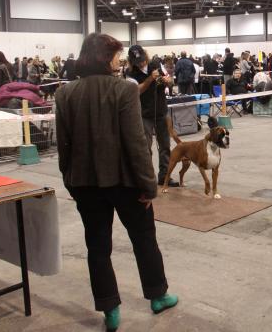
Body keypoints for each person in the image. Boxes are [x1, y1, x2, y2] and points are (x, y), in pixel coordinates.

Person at [55, 34, 178, 330]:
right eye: (116, 55)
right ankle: (158, 296)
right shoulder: (124, 89)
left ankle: (110, 310)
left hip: (85, 184)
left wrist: (69, 180)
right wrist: (148, 186)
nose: (119, 60)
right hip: (126, 183)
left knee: (97, 247)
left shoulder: (65, 94)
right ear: (105, 57)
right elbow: (136, 143)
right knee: (144, 239)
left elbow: (64, 145)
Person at [126, 45, 179, 189]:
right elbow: (136, 91)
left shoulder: (155, 64)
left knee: (165, 146)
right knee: (145, 148)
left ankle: (164, 176)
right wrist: (150, 79)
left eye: (143, 60)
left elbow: (170, 80)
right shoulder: (130, 73)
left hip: (161, 111)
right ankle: (148, 178)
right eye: (138, 62)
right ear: (132, 61)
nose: (142, 63)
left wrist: (168, 81)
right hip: (144, 115)